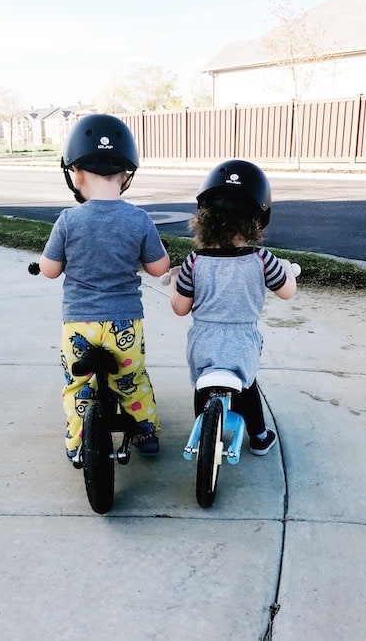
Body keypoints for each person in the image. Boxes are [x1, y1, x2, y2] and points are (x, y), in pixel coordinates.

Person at [37, 114, 170, 464]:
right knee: (131, 379)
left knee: (79, 387)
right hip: (125, 323)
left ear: (76, 174)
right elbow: (159, 268)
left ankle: (77, 443)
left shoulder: (68, 220)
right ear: (126, 175)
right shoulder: (139, 219)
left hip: (80, 325)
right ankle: (144, 430)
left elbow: (50, 271)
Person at [169, 159, 296, 455]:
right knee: (247, 386)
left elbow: (179, 308)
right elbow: (287, 292)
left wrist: (176, 282)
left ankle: (203, 431)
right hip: (242, 341)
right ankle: (260, 436)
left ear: (205, 219)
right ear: (258, 219)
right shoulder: (263, 260)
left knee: (203, 386)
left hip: (204, 342)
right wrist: (287, 269)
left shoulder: (194, 261)